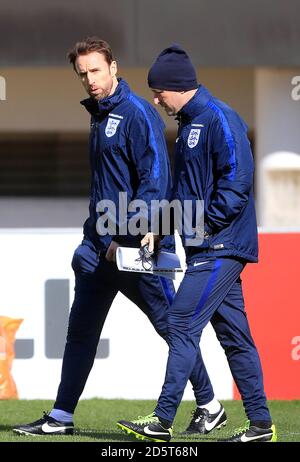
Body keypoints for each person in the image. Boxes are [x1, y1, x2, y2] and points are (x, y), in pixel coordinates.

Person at [13, 38, 225, 436]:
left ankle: (210, 404)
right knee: (80, 332)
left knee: (172, 327)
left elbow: (156, 182)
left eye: (95, 70)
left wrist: (124, 238)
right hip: (98, 250)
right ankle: (61, 416)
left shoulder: (138, 113)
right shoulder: (99, 114)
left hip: (135, 250)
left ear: (113, 67)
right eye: (82, 73)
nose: (89, 80)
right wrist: (94, 240)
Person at [117, 44, 277, 443]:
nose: (155, 99)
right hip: (209, 247)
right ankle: (260, 426)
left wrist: (206, 226)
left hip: (221, 246)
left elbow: (238, 181)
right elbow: (184, 193)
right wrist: (161, 227)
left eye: (159, 92)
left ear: (179, 86)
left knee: (181, 323)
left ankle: (161, 422)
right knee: (235, 337)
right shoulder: (189, 126)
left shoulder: (220, 118)